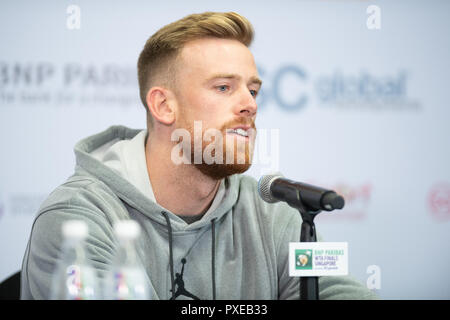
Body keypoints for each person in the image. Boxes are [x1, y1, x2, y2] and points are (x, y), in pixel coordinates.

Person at [20, 11, 378, 300]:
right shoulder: (77, 221)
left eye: (252, 90)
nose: (249, 105)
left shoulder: (273, 213)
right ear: (163, 105)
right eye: (224, 87)